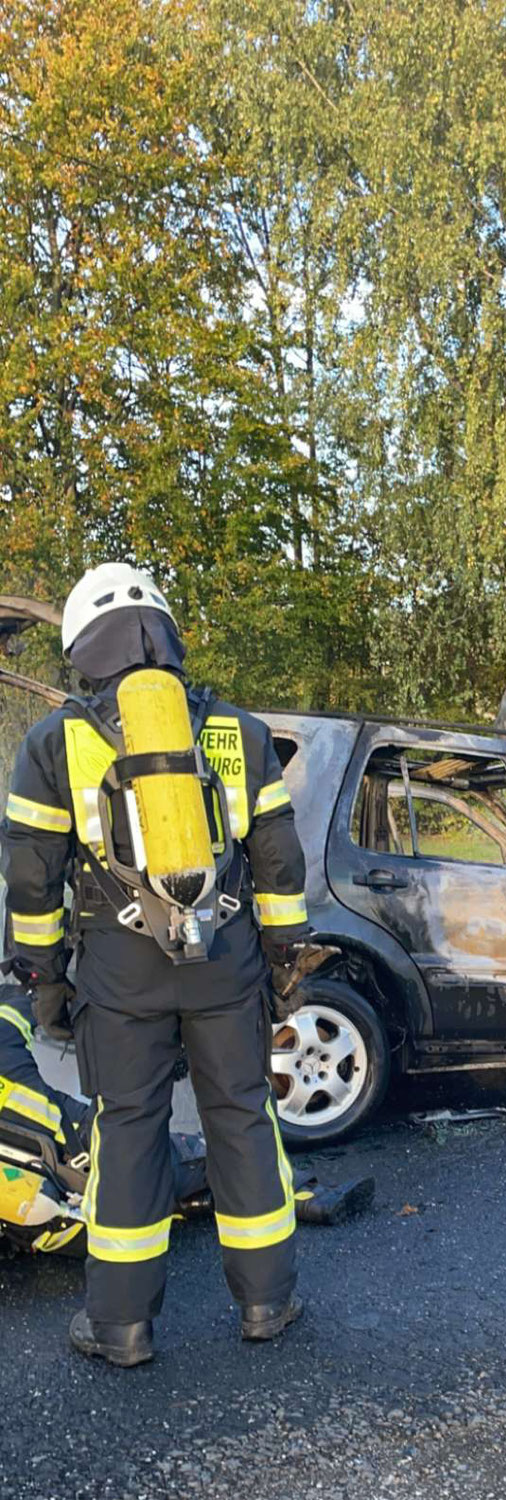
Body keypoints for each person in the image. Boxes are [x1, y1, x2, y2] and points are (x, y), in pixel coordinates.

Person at [0, 563, 317, 1366]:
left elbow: (31, 876)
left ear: (80, 646)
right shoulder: (237, 732)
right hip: (227, 960)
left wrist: (41, 976)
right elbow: (278, 862)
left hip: (119, 970)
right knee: (242, 1117)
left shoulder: (53, 742)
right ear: (166, 636)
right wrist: (280, 959)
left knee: (129, 1130)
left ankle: (121, 1327)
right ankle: (267, 1306)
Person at [0, 985, 374, 1259]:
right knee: (209, 1155)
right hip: (93, 1153)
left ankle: (198, 1201)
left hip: (51, 1216)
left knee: (168, 1175)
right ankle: (304, 1195)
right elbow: (22, 1007)